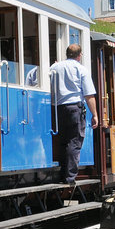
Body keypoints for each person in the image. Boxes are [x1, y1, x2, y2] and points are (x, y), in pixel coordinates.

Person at [47, 43, 98, 184]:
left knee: (62, 141)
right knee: (74, 142)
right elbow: (89, 95)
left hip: (57, 108)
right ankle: (69, 178)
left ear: (67, 54)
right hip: (74, 108)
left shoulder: (54, 67)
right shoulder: (81, 69)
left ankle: (61, 173)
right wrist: (95, 115)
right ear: (79, 55)